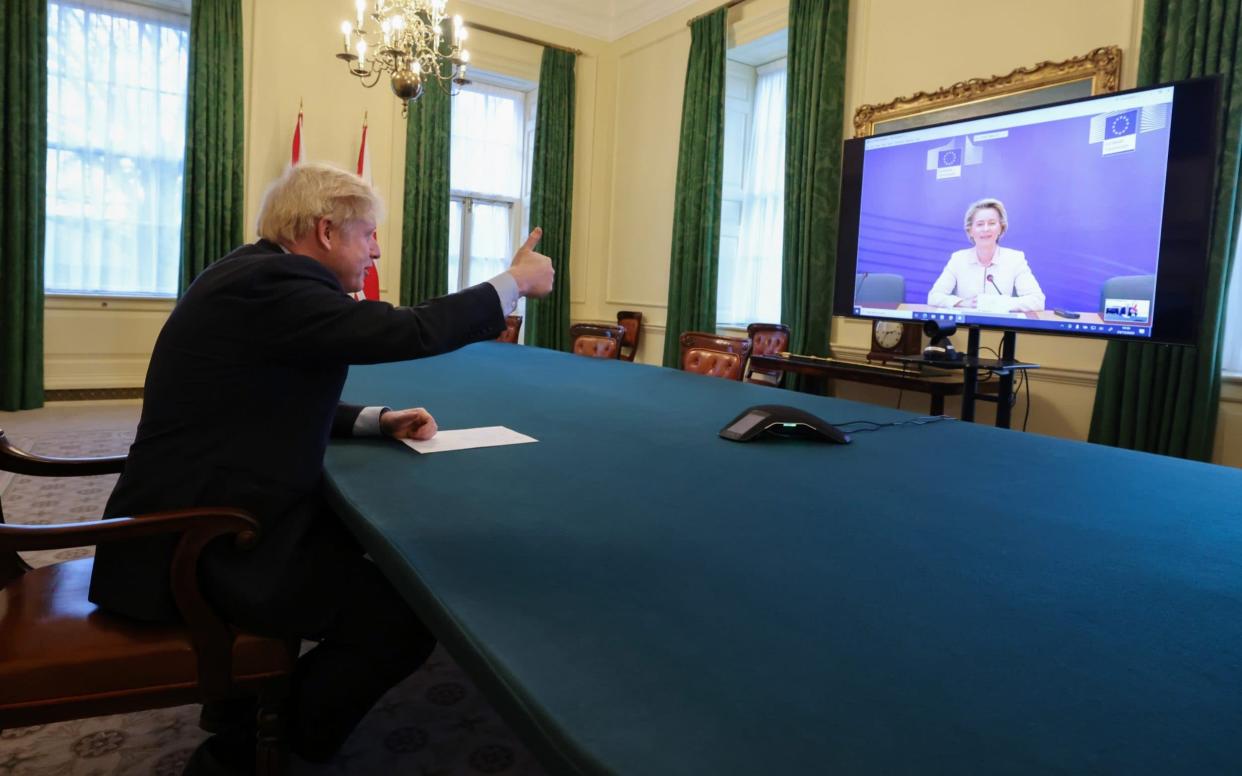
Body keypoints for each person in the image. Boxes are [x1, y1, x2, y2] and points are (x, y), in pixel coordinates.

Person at [87, 161, 554, 770]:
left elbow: (263, 394)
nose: (377, 250)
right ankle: (250, 749)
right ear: (326, 231)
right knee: (402, 617)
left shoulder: (252, 273)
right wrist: (513, 282)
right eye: (368, 235)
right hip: (198, 540)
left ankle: (243, 703)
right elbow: (405, 331)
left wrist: (373, 420)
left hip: (207, 510)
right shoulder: (273, 284)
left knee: (376, 553)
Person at [927, 198, 1045, 312]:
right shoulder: (958, 259)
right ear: (970, 231)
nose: (986, 229)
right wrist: (963, 303)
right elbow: (934, 297)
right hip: (965, 328)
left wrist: (998, 303)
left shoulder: (1015, 259)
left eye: (992, 223)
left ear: (1001, 228)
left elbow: (1037, 300)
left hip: (1001, 328)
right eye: (980, 224)